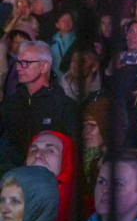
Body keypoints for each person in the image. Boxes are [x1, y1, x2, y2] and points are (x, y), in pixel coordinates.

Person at [0, 41, 79, 171]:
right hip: (9, 180)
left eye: (26, 63)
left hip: (47, 182)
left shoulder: (65, 106)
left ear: (44, 67)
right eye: (18, 63)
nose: (19, 68)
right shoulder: (11, 103)